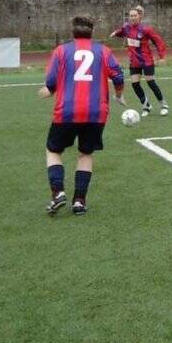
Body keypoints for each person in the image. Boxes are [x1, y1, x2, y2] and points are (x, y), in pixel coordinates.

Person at [39, 15, 125, 216]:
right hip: (96, 112)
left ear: (72, 31)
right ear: (92, 32)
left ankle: (58, 191)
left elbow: (51, 79)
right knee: (85, 154)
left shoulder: (61, 51)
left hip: (67, 110)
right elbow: (118, 76)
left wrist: (50, 89)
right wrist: (119, 94)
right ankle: (79, 201)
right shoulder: (103, 51)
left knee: (53, 151)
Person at [110, 5, 169, 117]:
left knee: (151, 82)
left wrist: (162, 56)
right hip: (134, 62)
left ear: (139, 17)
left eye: (135, 15)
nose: (132, 17)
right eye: (131, 16)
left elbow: (159, 41)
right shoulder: (127, 27)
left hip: (146, 61)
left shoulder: (146, 29)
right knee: (135, 84)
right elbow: (122, 31)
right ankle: (146, 106)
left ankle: (163, 105)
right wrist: (115, 33)